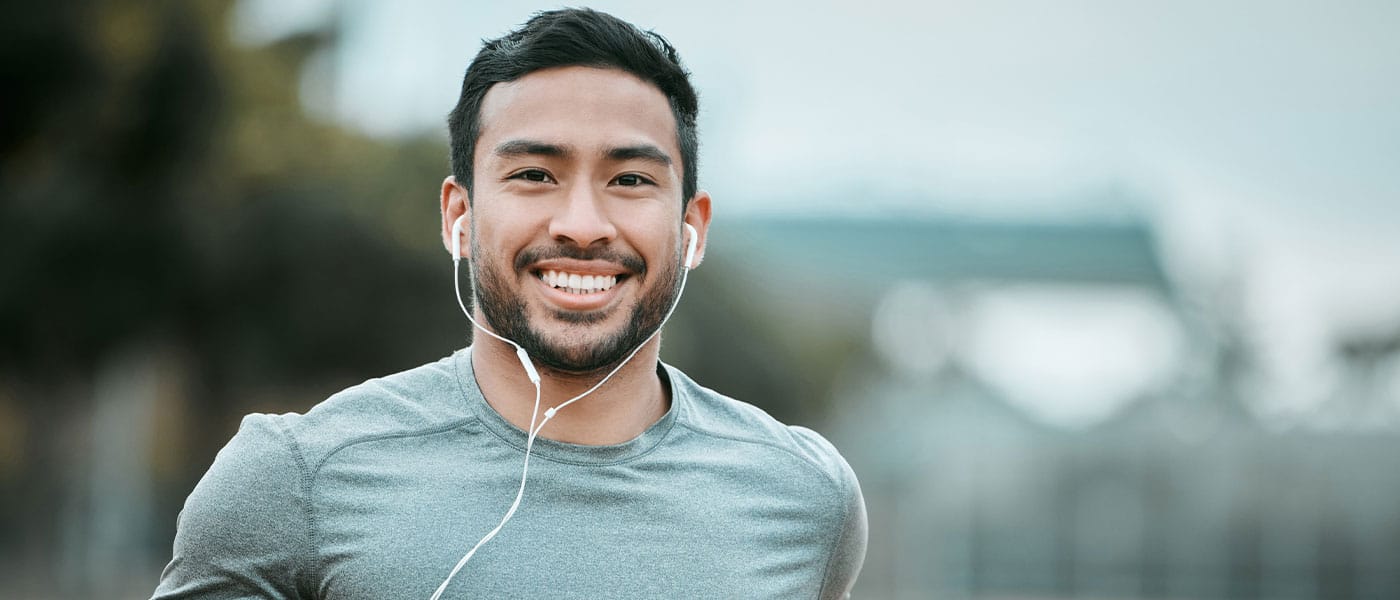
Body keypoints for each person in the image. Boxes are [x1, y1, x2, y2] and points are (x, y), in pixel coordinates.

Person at [152, 8, 866, 599]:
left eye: (630, 180)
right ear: (457, 215)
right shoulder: (293, 480)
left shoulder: (804, 498)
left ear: (693, 227)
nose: (582, 225)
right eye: (533, 173)